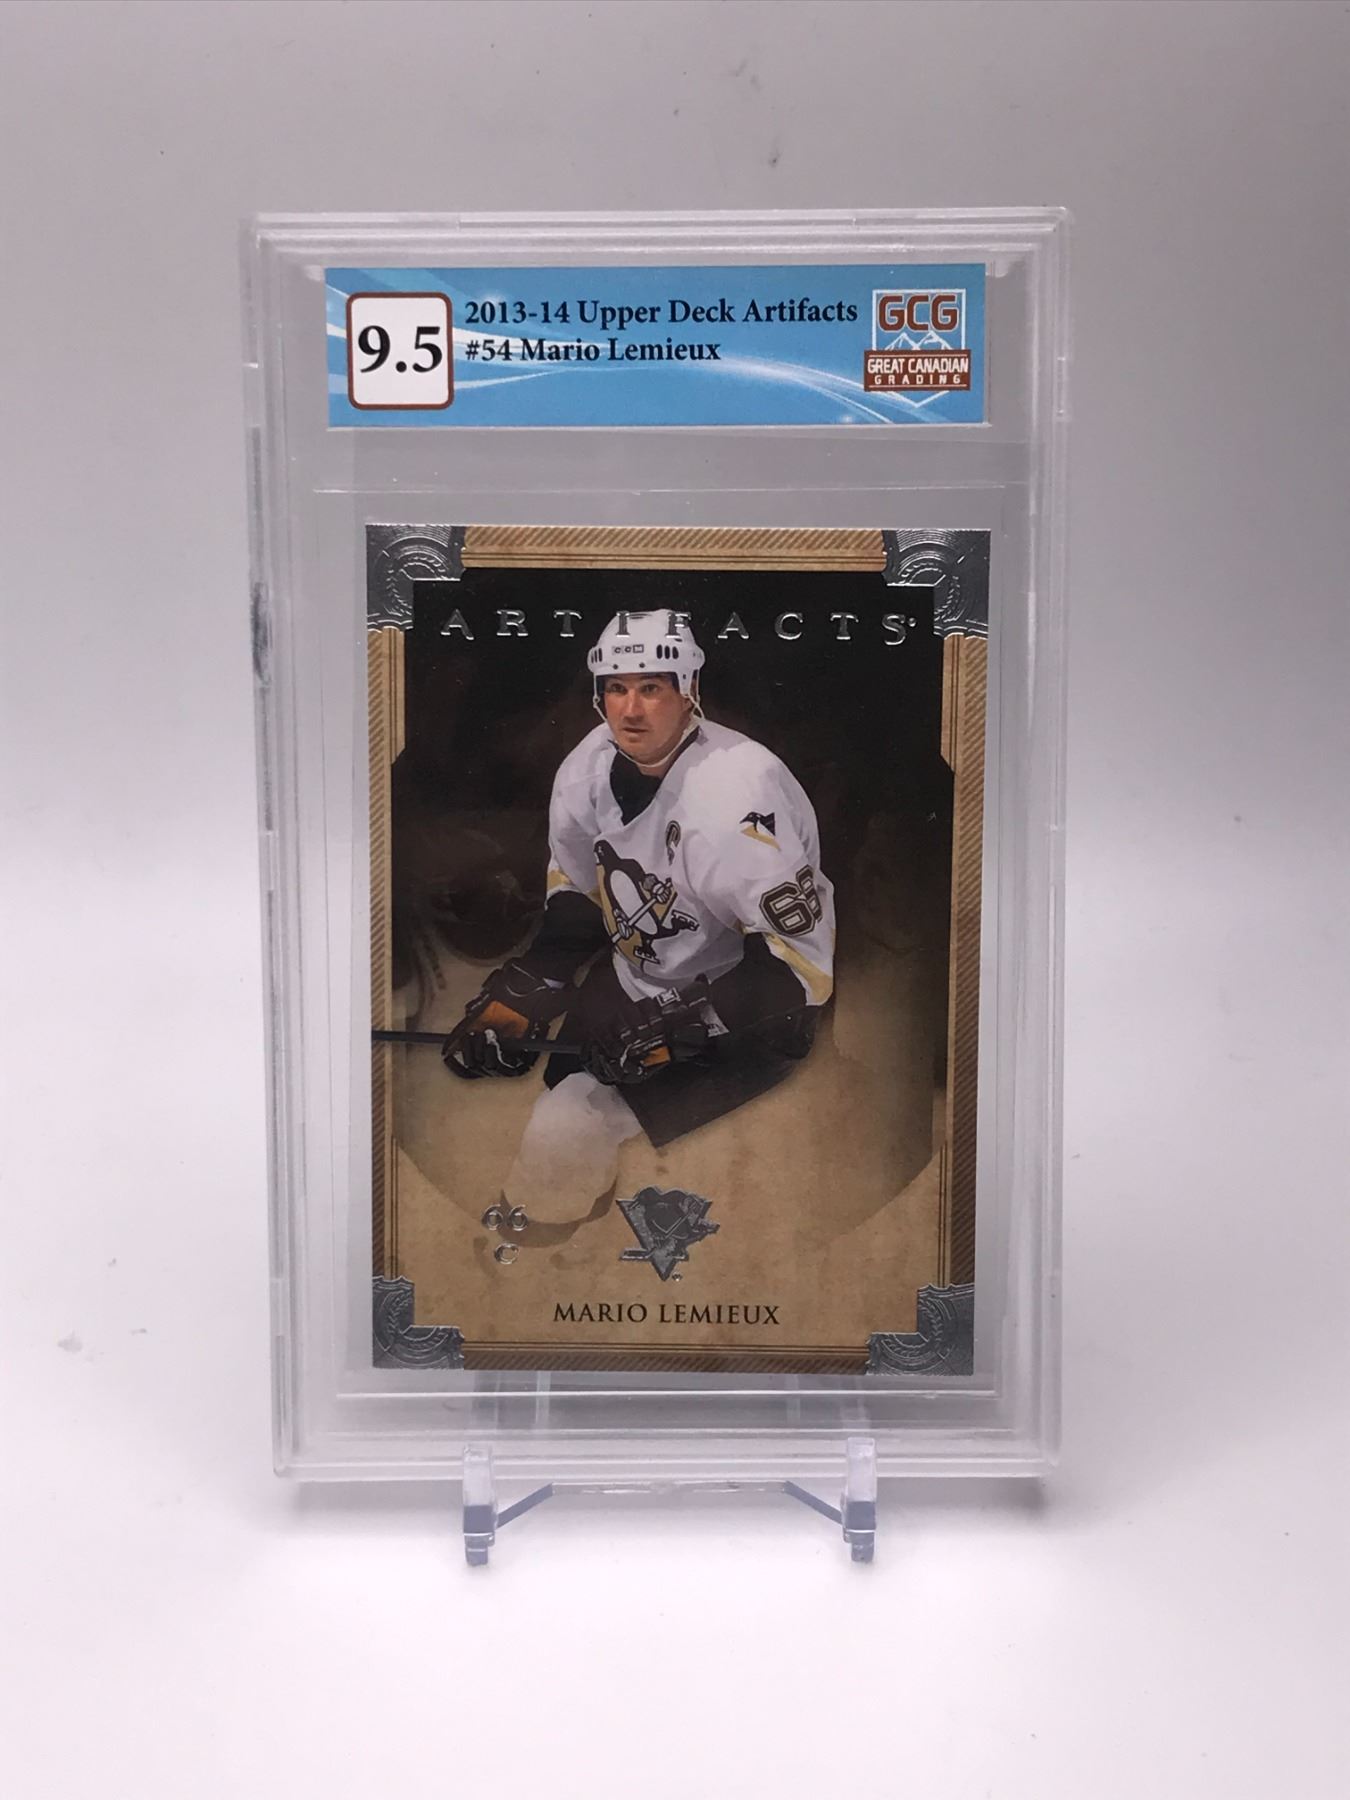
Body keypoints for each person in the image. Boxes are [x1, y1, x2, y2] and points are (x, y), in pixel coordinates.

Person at [443, 609, 835, 1234]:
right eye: (617, 688)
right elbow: (581, 890)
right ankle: (576, 1211)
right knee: (562, 1090)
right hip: (641, 978)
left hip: (747, 1013)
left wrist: (680, 1024)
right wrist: (533, 984)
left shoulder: (738, 796)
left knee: (568, 1120)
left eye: (651, 687)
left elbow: (801, 971)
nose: (630, 710)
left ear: (689, 690)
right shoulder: (588, 766)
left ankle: (544, 1242)